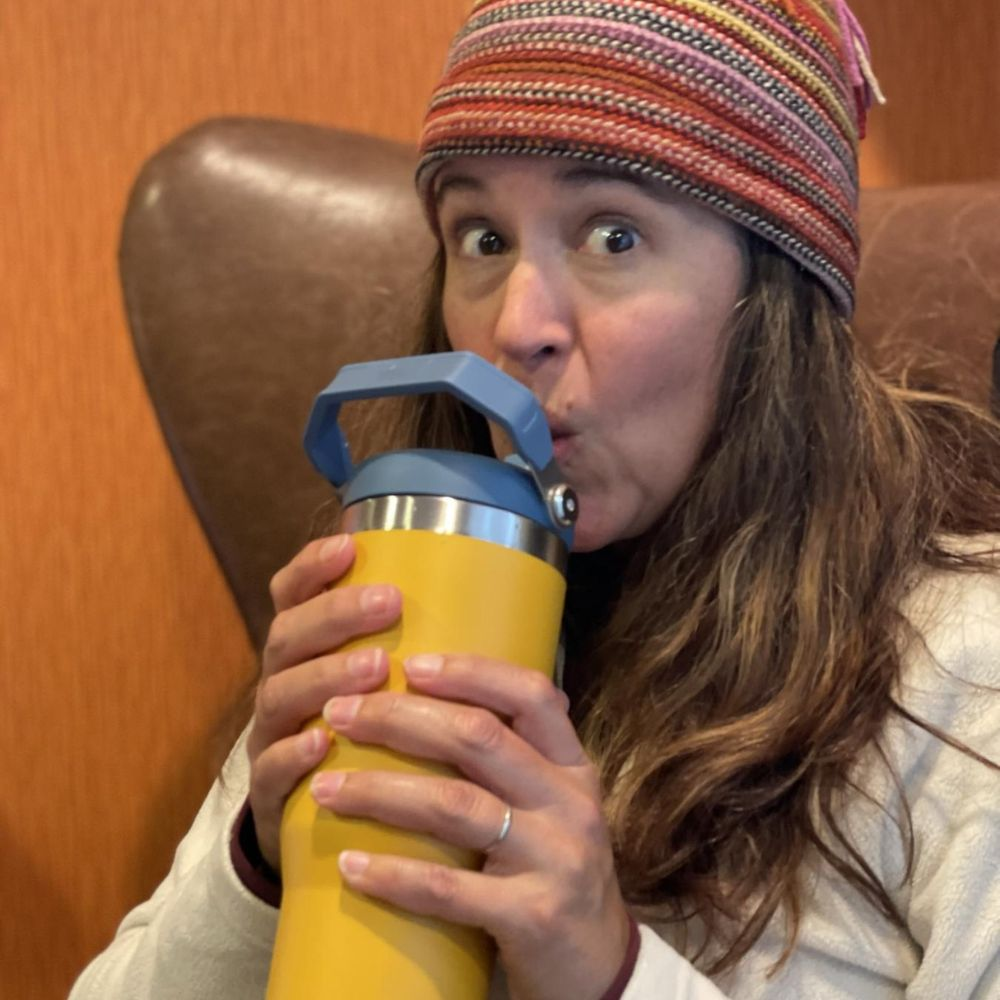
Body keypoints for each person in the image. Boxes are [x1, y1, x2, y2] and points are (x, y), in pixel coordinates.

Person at [71, 1, 1000, 998]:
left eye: (612, 233)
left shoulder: (958, 671)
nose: (517, 324)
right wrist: (260, 856)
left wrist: (612, 972)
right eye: (480, 237)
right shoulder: (402, 600)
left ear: (771, 300)